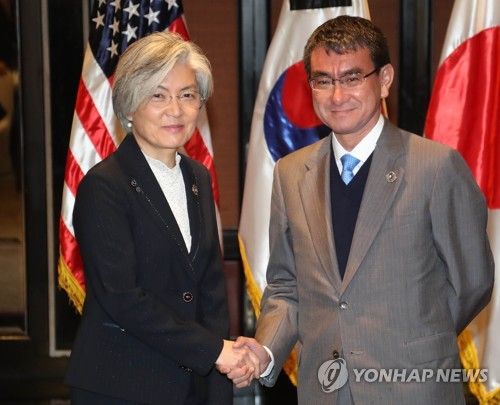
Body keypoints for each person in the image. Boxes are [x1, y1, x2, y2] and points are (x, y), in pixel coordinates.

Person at [229, 16, 495, 404]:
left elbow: (472, 280)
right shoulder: (290, 173)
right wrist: (266, 349)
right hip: (324, 388)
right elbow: (286, 285)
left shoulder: (436, 167)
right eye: (323, 80)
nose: (337, 96)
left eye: (352, 77)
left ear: (384, 79)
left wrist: (414, 339)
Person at [65, 32, 260, 404]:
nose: (176, 110)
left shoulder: (197, 177)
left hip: (194, 384)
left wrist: (219, 376)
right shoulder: (104, 186)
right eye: (158, 95)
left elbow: (210, 292)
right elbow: (122, 298)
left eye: (187, 95)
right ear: (129, 105)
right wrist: (214, 351)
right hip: (122, 386)